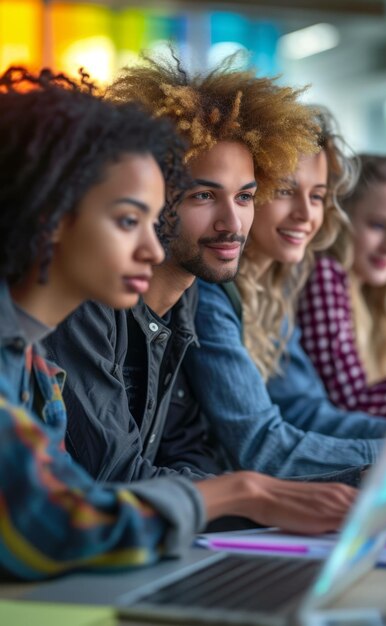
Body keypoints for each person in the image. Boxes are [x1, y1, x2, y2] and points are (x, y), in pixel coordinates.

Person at [0, 67, 357, 581]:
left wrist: (249, 496)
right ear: (49, 217)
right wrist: (242, 492)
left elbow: (81, 496)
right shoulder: (39, 347)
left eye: (246, 196)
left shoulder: (34, 367)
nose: (150, 246)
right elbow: (56, 521)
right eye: (129, 220)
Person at [43, 52, 322, 482]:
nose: (232, 224)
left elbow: (192, 453)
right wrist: (247, 497)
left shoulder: (187, 297)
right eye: (203, 196)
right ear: (151, 193)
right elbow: (115, 474)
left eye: (245, 197)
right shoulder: (86, 298)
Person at [185, 107, 386, 478]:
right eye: (284, 191)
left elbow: (305, 410)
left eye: (317, 197)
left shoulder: (274, 284)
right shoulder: (210, 292)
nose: (305, 214)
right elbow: (261, 447)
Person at [298, 153, 386, 417]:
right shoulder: (324, 275)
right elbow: (351, 401)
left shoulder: (371, 297)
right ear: (342, 219)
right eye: (377, 225)